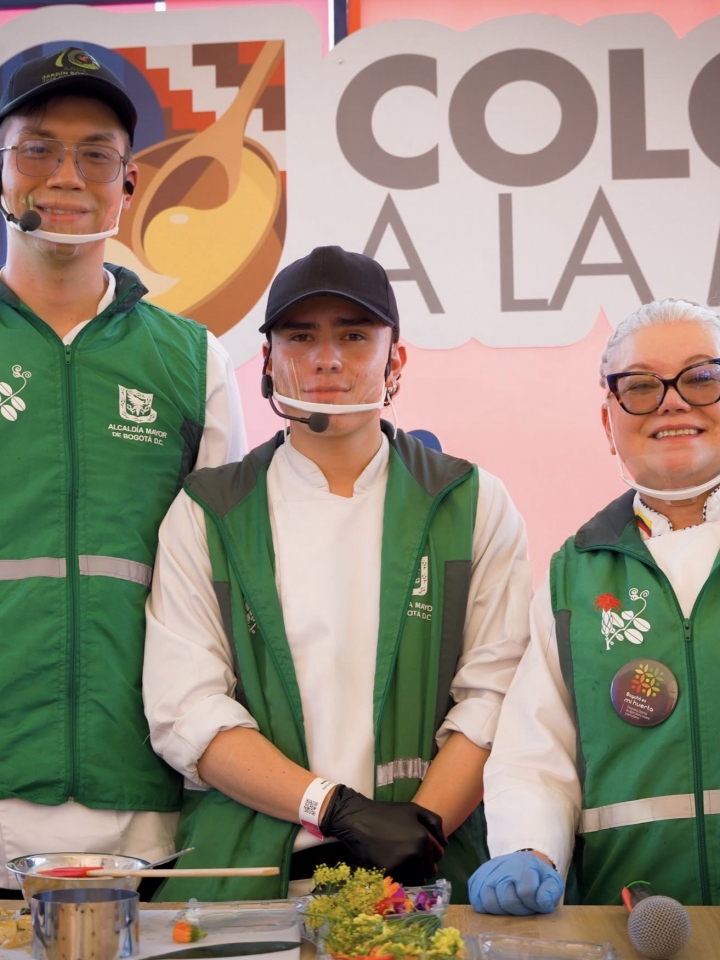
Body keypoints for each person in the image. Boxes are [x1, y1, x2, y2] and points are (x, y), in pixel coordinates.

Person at [143, 245, 532, 902]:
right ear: (266, 362)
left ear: (395, 358)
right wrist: (337, 808)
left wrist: (419, 832)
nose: (326, 359)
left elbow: (497, 696)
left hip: (424, 878)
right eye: (301, 336)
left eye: (354, 336)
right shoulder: (209, 511)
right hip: (252, 880)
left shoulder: (471, 501)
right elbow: (187, 710)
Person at [0, 48, 246, 895]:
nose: (65, 175)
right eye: (38, 147)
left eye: (95, 153)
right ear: (2, 170)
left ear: (129, 184)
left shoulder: (191, 359)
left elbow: (229, 586)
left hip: (148, 804)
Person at [469, 298, 720, 914]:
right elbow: (536, 751)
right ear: (607, 422)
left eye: (703, 377)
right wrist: (528, 850)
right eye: (639, 386)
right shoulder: (572, 575)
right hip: (631, 924)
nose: (672, 400)